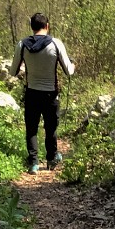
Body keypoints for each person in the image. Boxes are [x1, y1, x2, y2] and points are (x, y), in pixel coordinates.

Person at [11, 12, 75, 173]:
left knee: (31, 128)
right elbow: (69, 71)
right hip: (50, 93)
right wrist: (74, 64)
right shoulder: (56, 43)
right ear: (47, 26)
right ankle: (52, 158)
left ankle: (33, 163)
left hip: (32, 92)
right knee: (51, 127)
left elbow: (13, 71)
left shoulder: (22, 44)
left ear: (32, 27)